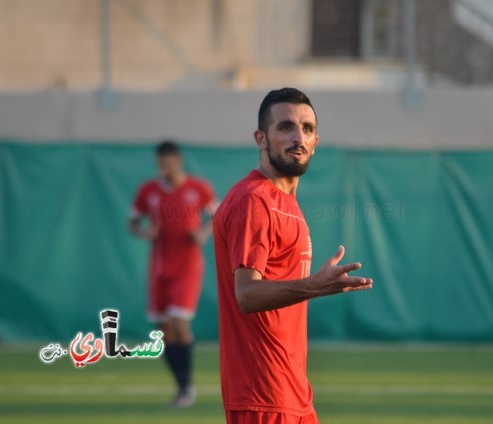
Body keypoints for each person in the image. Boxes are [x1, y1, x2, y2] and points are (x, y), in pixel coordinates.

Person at [213, 88, 374, 424]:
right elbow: (246, 294)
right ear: (262, 138)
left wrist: (311, 285)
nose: (298, 137)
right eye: (285, 127)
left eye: (307, 129)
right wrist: (313, 286)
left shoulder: (285, 202)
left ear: (315, 142)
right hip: (263, 396)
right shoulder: (253, 201)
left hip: (291, 392)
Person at [129, 140, 218, 408]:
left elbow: (218, 215)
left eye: (168, 163)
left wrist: (202, 233)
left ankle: (186, 386)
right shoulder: (148, 190)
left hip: (188, 265)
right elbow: (132, 222)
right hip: (159, 267)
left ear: (178, 161)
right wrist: (146, 232)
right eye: (160, 163)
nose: (163, 168)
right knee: (163, 330)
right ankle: (182, 385)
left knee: (180, 324)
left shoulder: (198, 188)